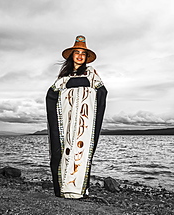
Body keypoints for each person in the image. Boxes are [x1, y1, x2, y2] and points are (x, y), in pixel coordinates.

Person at [46, 35, 107, 199]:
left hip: (85, 124)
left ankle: (80, 190)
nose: (80, 56)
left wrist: (90, 104)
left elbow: (102, 92)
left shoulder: (92, 74)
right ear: (72, 55)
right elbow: (52, 94)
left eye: (83, 53)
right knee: (65, 152)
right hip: (66, 122)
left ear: (86, 58)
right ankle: (63, 190)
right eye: (77, 52)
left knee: (82, 153)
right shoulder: (63, 78)